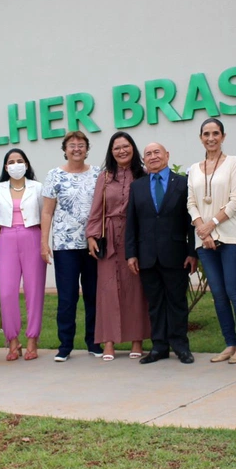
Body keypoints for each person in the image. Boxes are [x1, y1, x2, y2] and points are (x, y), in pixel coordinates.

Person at [125, 142, 197, 365]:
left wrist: (192, 252)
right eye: (148, 154)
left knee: (177, 302)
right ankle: (159, 347)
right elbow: (131, 223)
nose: (153, 156)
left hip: (176, 254)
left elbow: (191, 222)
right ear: (143, 160)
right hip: (146, 256)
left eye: (157, 152)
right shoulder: (137, 187)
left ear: (167, 155)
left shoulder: (183, 183)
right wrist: (131, 254)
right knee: (155, 303)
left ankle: (181, 346)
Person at [187, 118, 236, 364]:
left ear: (223, 136)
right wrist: (203, 230)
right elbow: (191, 203)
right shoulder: (194, 169)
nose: (211, 138)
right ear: (200, 137)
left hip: (231, 237)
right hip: (205, 241)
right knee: (218, 294)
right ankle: (229, 344)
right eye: (206, 134)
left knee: (234, 292)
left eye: (215, 133)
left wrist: (211, 225)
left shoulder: (233, 162)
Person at [86, 132, 151, 360]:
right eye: (117, 148)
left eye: (125, 146)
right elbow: (96, 208)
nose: (121, 151)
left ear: (133, 148)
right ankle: (109, 342)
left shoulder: (142, 175)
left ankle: (137, 341)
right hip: (109, 236)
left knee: (136, 289)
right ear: (111, 152)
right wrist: (92, 236)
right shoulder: (105, 177)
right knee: (107, 290)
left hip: (135, 237)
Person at [41, 131, 102, 362]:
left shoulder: (98, 174)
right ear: (65, 149)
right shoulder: (54, 175)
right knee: (67, 298)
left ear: (87, 149)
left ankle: (94, 342)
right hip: (64, 246)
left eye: (81, 145)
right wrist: (43, 243)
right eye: (72, 145)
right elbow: (47, 211)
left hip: (92, 244)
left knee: (93, 295)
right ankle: (65, 345)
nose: (76, 148)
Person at [0, 148, 46, 361]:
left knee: (34, 291)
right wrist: (7, 235)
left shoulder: (38, 188)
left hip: (33, 236)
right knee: (7, 292)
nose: (16, 164)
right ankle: (13, 340)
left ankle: (32, 340)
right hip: (6, 238)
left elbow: (43, 215)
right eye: (11, 161)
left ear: (27, 164)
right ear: (5, 167)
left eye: (20, 160)